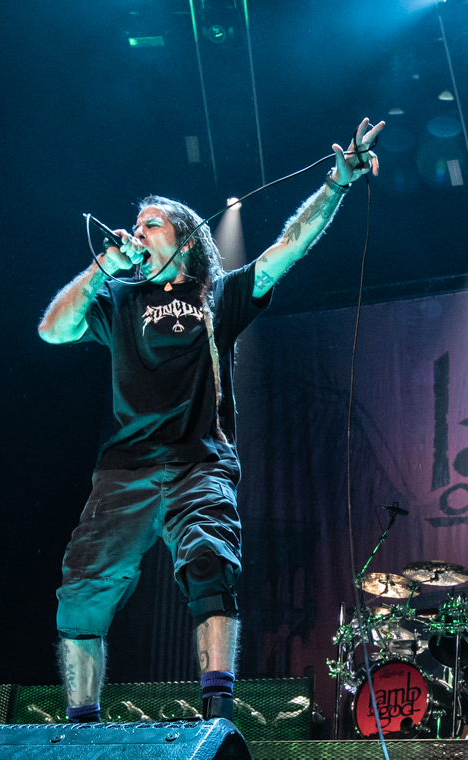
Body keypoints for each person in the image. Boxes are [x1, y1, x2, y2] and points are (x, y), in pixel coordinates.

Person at [38, 118, 384, 724]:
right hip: (124, 470)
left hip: (199, 462)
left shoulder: (216, 295)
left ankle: (216, 715)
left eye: (151, 224)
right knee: (81, 589)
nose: (137, 232)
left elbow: (288, 247)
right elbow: (52, 329)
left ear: (186, 238)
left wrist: (336, 185)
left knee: (209, 564)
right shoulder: (118, 299)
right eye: (136, 224)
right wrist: (100, 269)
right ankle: (80, 729)